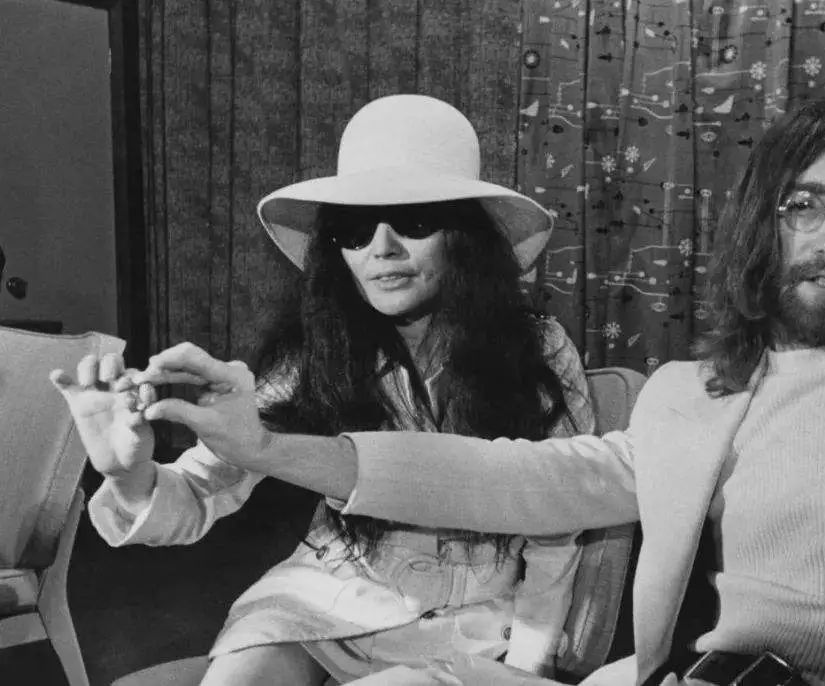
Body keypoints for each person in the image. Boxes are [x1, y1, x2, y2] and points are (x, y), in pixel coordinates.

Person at [59, 98, 825, 685]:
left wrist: (540, 657)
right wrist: (174, 462)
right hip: (341, 598)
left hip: (481, 628)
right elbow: (518, 481)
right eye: (801, 205)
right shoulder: (692, 395)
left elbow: (550, 531)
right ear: (760, 231)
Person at [50, 94, 596, 686]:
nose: (381, 248)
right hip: (323, 603)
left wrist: (528, 669)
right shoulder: (318, 353)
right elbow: (202, 489)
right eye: (355, 231)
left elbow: (559, 524)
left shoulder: (538, 349)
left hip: (474, 626)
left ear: (465, 237)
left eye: (414, 222)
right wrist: (127, 474)